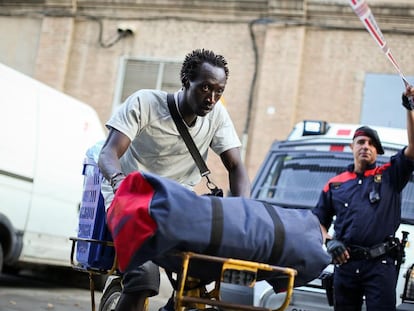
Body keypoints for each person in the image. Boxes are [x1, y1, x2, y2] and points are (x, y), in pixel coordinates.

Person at [98, 48, 250, 311]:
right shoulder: (145, 103)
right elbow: (108, 153)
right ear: (186, 81)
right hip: (131, 200)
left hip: (175, 206)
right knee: (143, 277)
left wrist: (242, 212)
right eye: (205, 88)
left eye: (219, 91)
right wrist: (118, 181)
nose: (212, 98)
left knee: (203, 272)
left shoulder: (216, 116)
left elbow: (236, 166)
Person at [312, 84, 414, 311]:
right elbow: (317, 220)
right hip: (345, 264)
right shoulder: (335, 183)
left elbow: (413, 148)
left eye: (371, 144)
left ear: (377, 152)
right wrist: (330, 242)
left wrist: (410, 108)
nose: (365, 147)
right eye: (361, 142)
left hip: (381, 265)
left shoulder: (390, 175)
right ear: (352, 147)